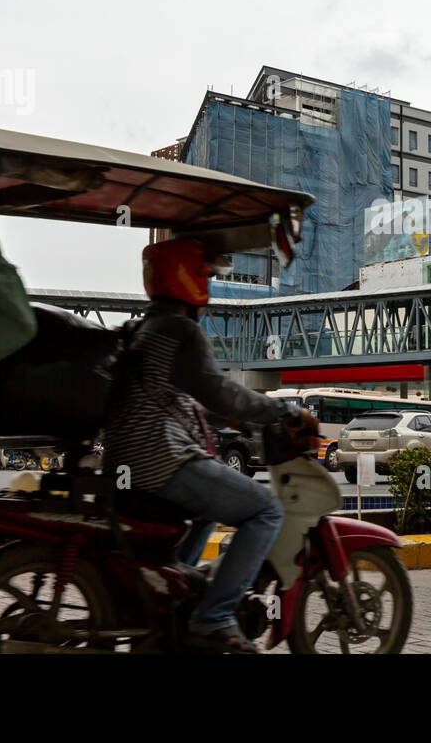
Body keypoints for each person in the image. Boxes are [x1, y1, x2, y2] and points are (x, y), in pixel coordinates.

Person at [104, 238, 320, 654]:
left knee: (208, 509)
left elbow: (196, 399)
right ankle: (214, 617)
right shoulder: (181, 330)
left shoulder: (145, 328)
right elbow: (219, 392)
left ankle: (178, 594)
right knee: (266, 509)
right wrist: (281, 412)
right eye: (207, 275)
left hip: (126, 465)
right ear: (190, 278)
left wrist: (238, 416)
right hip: (159, 462)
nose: (210, 284)